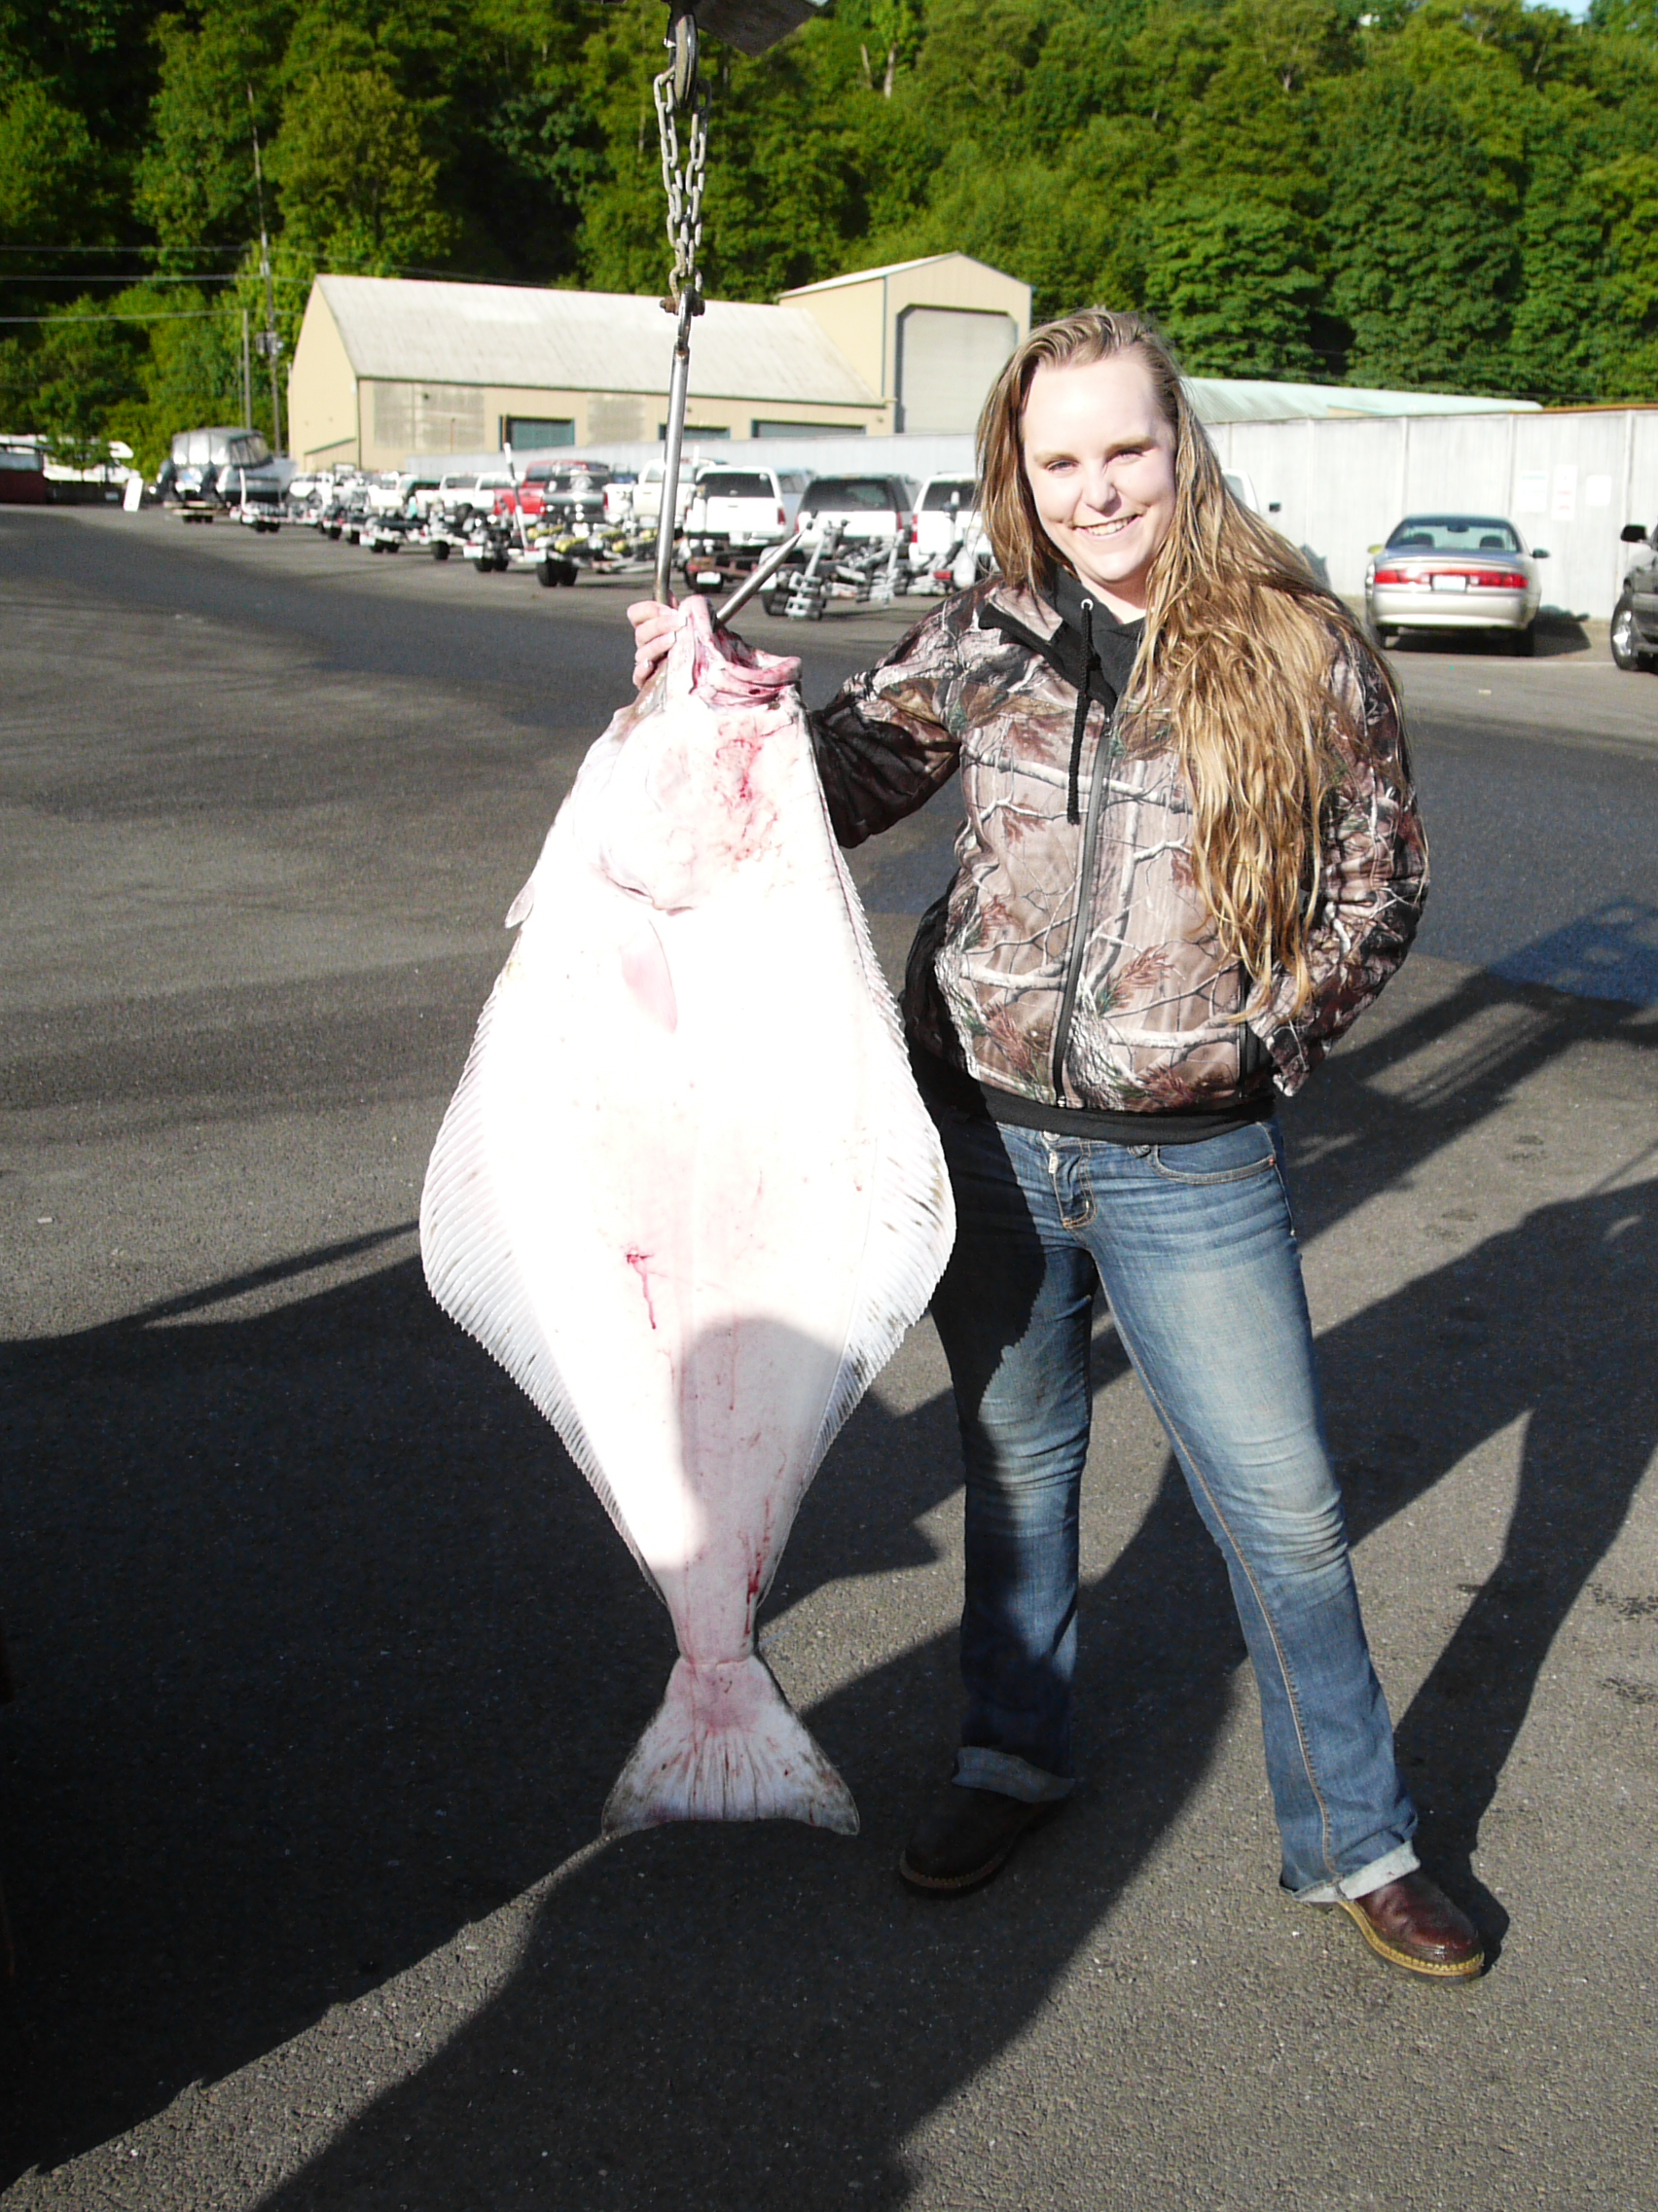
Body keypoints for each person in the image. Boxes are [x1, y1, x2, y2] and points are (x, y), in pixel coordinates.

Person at [629, 309, 1476, 1980]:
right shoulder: (982, 637)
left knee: (1285, 1512)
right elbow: (826, 794)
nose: (1098, 489)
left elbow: (1384, 883)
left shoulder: (1303, 647)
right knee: (1017, 1469)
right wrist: (703, 713)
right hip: (985, 1135)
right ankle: (1012, 1757)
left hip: (1193, 1159)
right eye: (1060, 458)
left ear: (1183, 446)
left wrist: (1262, 1039)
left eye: (1126, 450)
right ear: (1021, 471)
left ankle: (1359, 1837)